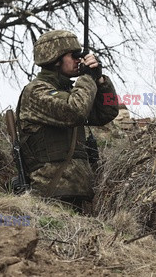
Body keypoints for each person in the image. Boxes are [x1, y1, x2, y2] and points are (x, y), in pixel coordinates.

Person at [16, 30, 119, 209]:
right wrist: (87, 77)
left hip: (76, 192)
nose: (79, 60)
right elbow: (75, 111)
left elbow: (108, 111)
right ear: (55, 59)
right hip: (49, 195)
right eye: (73, 55)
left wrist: (100, 80)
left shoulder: (71, 92)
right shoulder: (36, 92)